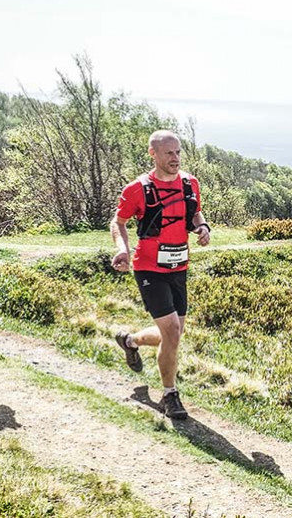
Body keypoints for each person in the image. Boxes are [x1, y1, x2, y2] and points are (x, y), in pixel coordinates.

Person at [111, 130, 211, 420]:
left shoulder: (190, 183)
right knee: (171, 332)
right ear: (152, 153)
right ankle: (170, 395)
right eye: (169, 153)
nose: (175, 158)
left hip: (179, 267)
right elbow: (118, 222)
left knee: (175, 334)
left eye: (178, 152)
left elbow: (195, 214)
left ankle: (129, 341)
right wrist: (122, 250)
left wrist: (203, 227)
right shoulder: (137, 189)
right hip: (149, 268)